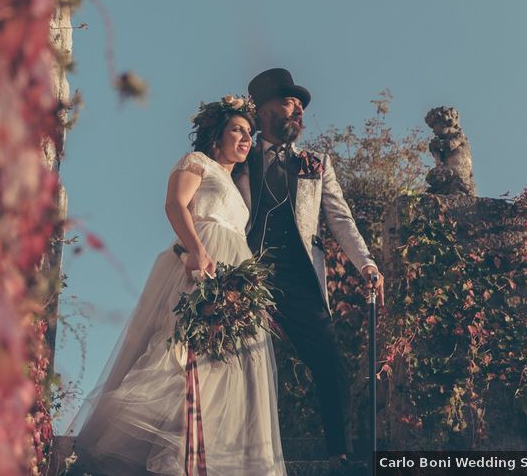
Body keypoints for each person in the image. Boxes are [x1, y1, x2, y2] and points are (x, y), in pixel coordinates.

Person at [69, 96, 286, 475]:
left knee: (223, 363)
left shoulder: (236, 187)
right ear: (215, 134)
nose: (246, 138)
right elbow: (175, 205)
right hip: (201, 261)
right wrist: (197, 250)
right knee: (184, 351)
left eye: (250, 133)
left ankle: (207, 454)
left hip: (233, 271)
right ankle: (170, 453)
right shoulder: (196, 163)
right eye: (238, 129)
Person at [233, 68, 385, 469]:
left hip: (300, 277)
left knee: (331, 364)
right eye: (289, 104)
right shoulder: (237, 153)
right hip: (246, 275)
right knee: (239, 364)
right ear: (264, 110)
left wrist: (366, 263)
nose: (297, 112)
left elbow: (340, 218)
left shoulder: (316, 163)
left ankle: (340, 455)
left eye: (300, 107)